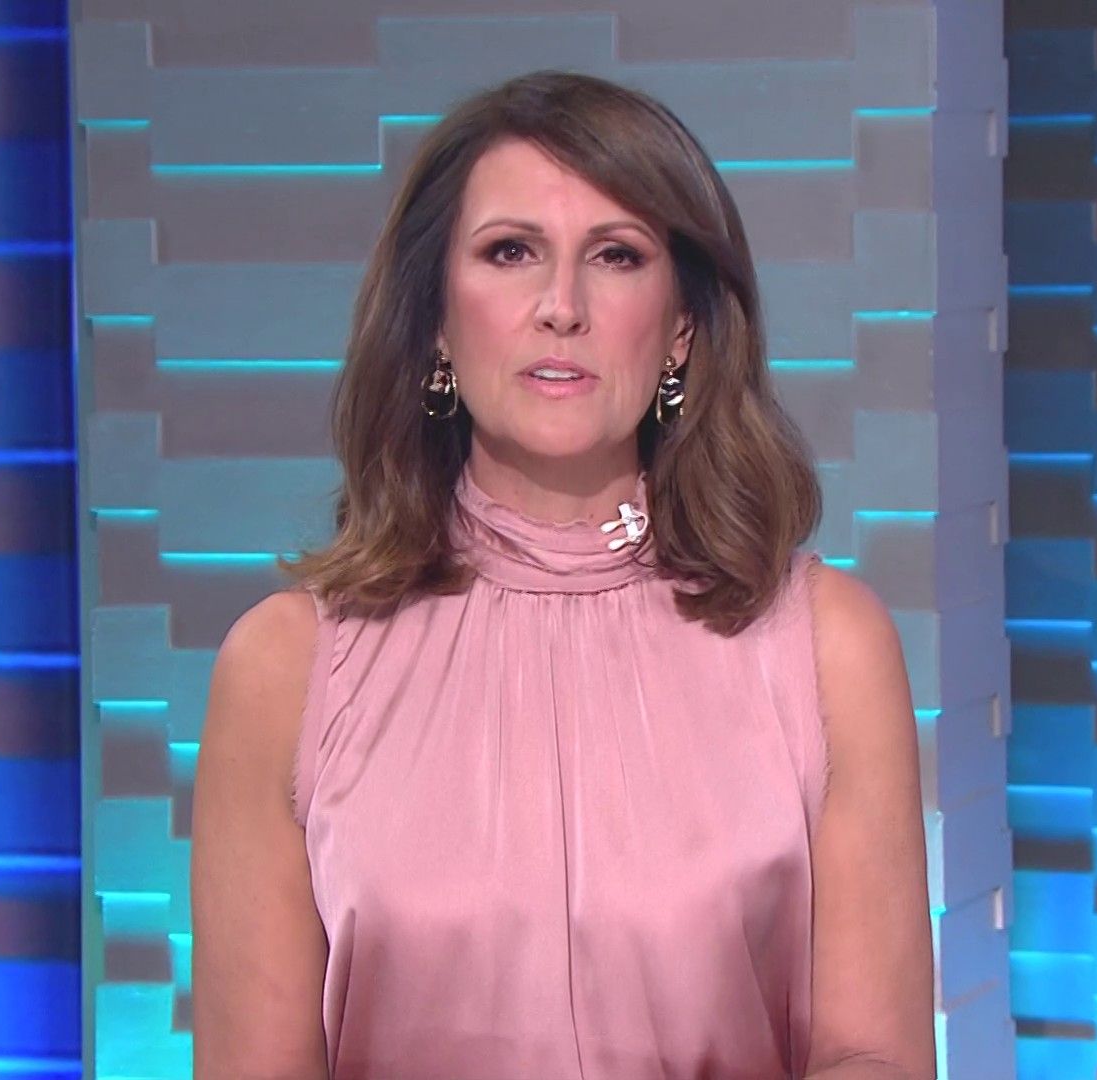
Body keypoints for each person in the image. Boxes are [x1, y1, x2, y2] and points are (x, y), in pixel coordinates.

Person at [190, 69, 936, 1080]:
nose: (561, 307)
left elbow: (874, 1057)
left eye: (616, 256)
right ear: (436, 319)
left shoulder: (827, 645)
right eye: (511, 252)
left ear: (681, 326)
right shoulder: (284, 668)